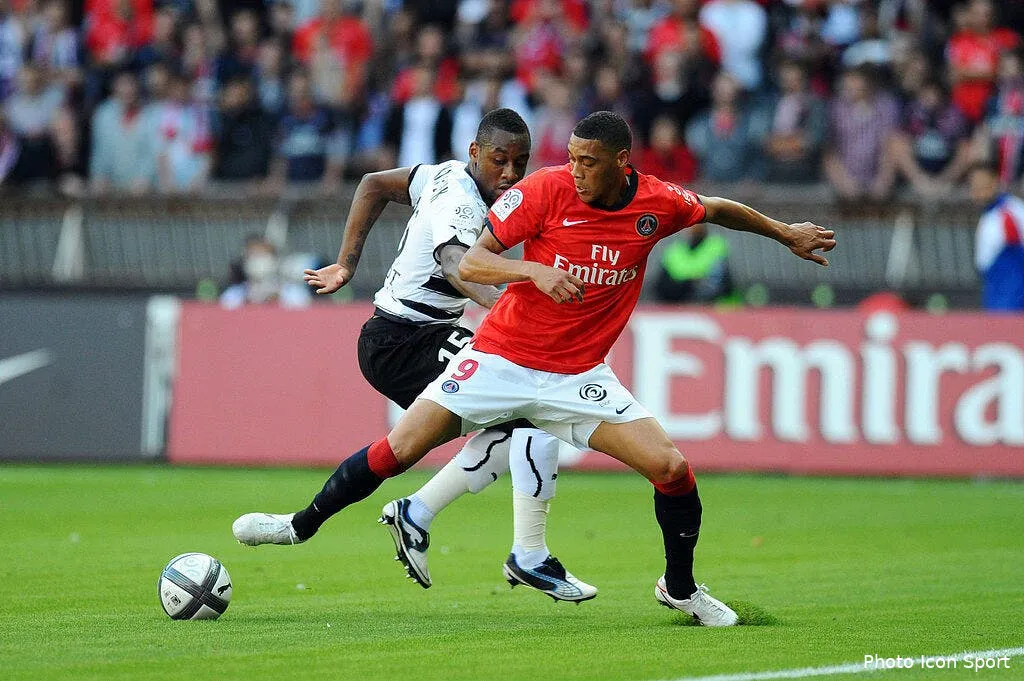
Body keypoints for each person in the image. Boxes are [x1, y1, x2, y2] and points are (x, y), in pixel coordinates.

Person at [233, 111, 835, 626]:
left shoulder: (655, 203)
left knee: (672, 468)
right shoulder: (543, 192)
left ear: (622, 163)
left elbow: (715, 208)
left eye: (588, 161)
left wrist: (786, 234)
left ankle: (679, 589)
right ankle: (303, 525)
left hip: (577, 377)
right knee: (399, 449)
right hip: (500, 358)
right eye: (571, 157)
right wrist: (533, 272)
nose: (574, 170)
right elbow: (470, 261)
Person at [234, 108, 598, 602]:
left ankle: (328, 522)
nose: (510, 174)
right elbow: (455, 265)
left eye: (520, 162)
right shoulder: (462, 204)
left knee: (445, 440)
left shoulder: (442, 174)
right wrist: (513, 310)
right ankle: (526, 553)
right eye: (498, 160)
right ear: (475, 153)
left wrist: (346, 264)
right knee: (533, 409)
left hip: (413, 335)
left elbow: (371, 184)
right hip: (404, 339)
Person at [969, 161, 1024, 311]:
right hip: (994, 295)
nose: (977, 192)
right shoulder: (989, 216)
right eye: (974, 187)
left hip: (1012, 302)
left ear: (995, 183)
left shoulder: (1010, 213)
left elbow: (1017, 260)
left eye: (982, 186)